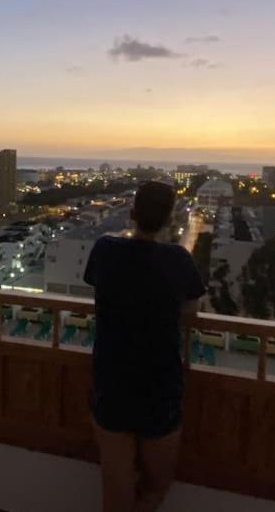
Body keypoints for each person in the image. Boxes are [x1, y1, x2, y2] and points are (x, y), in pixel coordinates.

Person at [83, 181, 206, 511]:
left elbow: (97, 283)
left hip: (112, 380)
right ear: (169, 219)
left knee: (115, 492)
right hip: (159, 384)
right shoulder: (178, 260)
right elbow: (192, 309)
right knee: (155, 487)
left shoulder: (104, 250)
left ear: (132, 213)